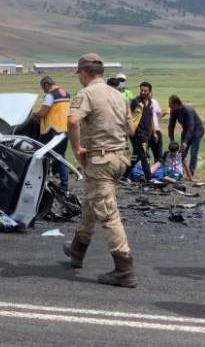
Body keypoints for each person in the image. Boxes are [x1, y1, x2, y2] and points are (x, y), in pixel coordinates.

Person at [63, 53, 137, 288]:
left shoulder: (86, 94)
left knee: (107, 212)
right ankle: (77, 250)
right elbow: (130, 131)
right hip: (120, 159)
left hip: (100, 160)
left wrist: (77, 149)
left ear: (83, 73)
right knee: (91, 203)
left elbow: (73, 121)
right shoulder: (119, 95)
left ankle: (123, 267)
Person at [32, 75, 71, 190]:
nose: (43, 90)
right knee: (61, 156)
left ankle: (40, 180)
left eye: (43, 88)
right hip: (64, 129)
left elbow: (42, 113)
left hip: (51, 130)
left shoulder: (50, 95)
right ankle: (64, 184)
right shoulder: (66, 93)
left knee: (39, 153)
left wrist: (33, 114)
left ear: (46, 85)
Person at [124, 82, 156, 182]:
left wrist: (153, 133)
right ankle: (149, 178)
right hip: (137, 132)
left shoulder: (149, 104)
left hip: (145, 133)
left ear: (149, 92)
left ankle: (124, 175)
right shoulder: (135, 102)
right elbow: (126, 114)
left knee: (136, 155)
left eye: (145, 91)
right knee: (145, 154)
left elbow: (150, 119)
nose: (142, 92)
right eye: (141, 90)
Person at [167, 95, 205, 180]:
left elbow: (191, 126)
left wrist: (185, 141)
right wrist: (171, 140)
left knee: (193, 152)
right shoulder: (173, 111)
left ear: (176, 103)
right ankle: (180, 172)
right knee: (182, 152)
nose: (169, 106)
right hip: (186, 129)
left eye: (171, 105)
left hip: (197, 130)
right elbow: (171, 126)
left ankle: (190, 173)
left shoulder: (188, 110)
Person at [146, 83, 168, 163]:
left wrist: (165, 112)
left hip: (156, 131)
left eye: (150, 92)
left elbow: (158, 114)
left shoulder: (154, 102)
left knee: (158, 155)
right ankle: (146, 172)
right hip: (146, 132)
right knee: (145, 155)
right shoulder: (140, 103)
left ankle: (156, 173)